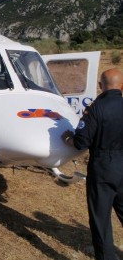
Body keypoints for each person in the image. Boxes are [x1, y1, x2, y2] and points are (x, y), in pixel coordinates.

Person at [62, 67, 123, 260]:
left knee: (101, 220)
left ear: (100, 86)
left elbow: (81, 141)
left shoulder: (96, 108)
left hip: (103, 167)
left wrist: (67, 139)